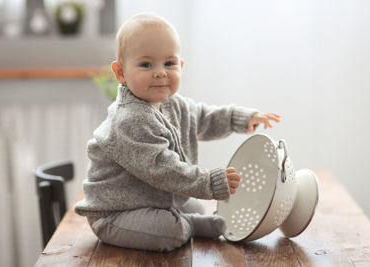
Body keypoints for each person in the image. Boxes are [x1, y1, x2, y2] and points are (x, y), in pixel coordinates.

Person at [74, 12, 280, 252]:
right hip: (117, 212)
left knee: (195, 205)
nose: (160, 72)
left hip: (152, 198)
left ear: (180, 66)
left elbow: (203, 117)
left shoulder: (173, 103)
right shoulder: (130, 120)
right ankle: (188, 226)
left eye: (169, 63)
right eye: (146, 64)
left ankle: (188, 219)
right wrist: (208, 182)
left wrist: (240, 118)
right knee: (170, 233)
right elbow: (164, 170)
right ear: (120, 73)